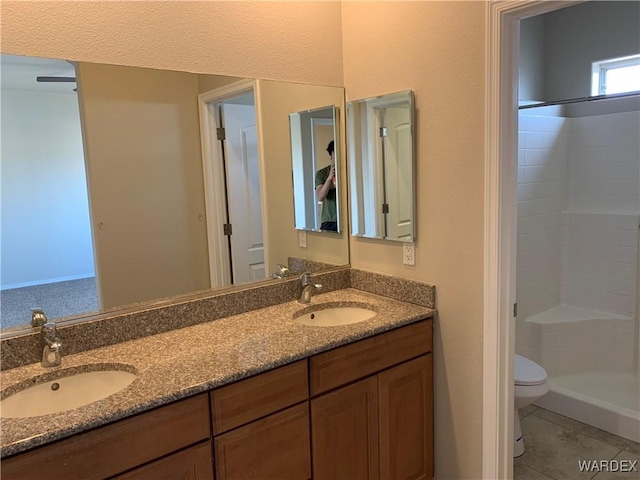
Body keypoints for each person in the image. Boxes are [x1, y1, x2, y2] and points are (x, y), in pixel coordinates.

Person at [315, 140, 338, 231]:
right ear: (331, 155)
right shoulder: (321, 173)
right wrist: (329, 178)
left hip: (350, 219)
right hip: (330, 220)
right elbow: (320, 197)